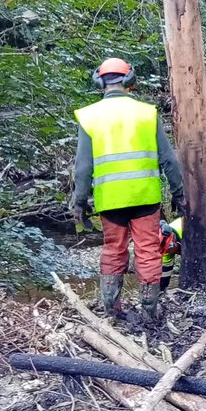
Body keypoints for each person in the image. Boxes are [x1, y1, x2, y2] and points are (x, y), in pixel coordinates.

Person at [72, 57, 185, 323]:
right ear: (129, 80)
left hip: (110, 200)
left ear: (99, 81)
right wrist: (179, 193)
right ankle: (149, 311)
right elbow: (168, 159)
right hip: (145, 196)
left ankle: (112, 310)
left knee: (113, 250)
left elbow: (83, 167)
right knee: (148, 249)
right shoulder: (147, 113)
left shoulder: (89, 116)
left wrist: (79, 201)